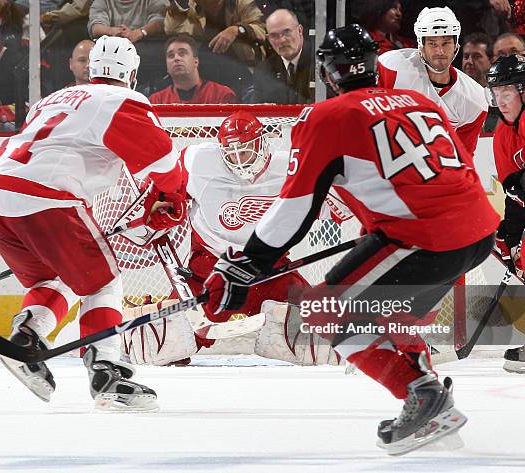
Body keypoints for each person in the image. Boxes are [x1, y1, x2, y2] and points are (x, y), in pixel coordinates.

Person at [202, 25, 499, 455]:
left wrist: (246, 263)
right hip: (477, 232)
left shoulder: (328, 117)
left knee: (327, 310)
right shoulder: (420, 102)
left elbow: (295, 209)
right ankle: (433, 405)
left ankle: (423, 395)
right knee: (389, 315)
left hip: (424, 237)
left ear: (327, 73)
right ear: (375, 66)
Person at [0, 35, 186, 411]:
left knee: (54, 280)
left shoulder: (52, 100)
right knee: (104, 282)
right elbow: (165, 163)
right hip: (45, 200)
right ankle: (106, 370)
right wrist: (173, 195)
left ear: (92, 69)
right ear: (131, 73)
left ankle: (26, 339)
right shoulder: (124, 99)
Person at [124, 110, 343, 366]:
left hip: (269, 267)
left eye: (246, 149)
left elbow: (338, 208)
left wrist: (349, 203)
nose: (239, 159)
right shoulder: (198, 161)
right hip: (211, 270)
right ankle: (138, 328)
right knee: (161, 345)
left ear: (262, 142)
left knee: (328, 340)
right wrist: (162, 208)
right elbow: (158, 194)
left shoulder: (290, 166)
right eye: (231, 152)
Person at [487, 54, 525, 373]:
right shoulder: (502, 135)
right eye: (496, 93)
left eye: (507, 92)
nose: (500, 100)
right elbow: (513, 189)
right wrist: (509, 234)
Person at [377, 6, 488, 155]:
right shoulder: (392, 67)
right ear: (421, 46)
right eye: (433, 43)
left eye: (446, 42)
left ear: (456, 46)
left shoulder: (476, 99)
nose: (440, 51)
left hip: (433, 171)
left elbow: (463, 157)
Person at [164, 0, 266, 65]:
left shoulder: (240, 2)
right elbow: (171, 30)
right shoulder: (188, 7)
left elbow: (261, 28)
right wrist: (180, 5)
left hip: (244, 65)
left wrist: (236, 30)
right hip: (202, 69)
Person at [148, 34, 237, 104]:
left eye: (182, 53)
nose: (176, 58)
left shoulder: (222, 95)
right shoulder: (156, 101)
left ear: (196, 61)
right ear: (167, 66)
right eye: (171, 56)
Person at [253, 9, 312, 104]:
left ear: (300, 30)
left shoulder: (319, 62)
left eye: (287, 32)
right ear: (268, 39)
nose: (281, 40)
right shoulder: (263, 71)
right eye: (274, 36)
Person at [88, 0, 167, 43]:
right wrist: (114, 31)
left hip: (145, 45)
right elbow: (95, 27)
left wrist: (140, 32)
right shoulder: (101, 1)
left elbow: (160, 21)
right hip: (112, 46)